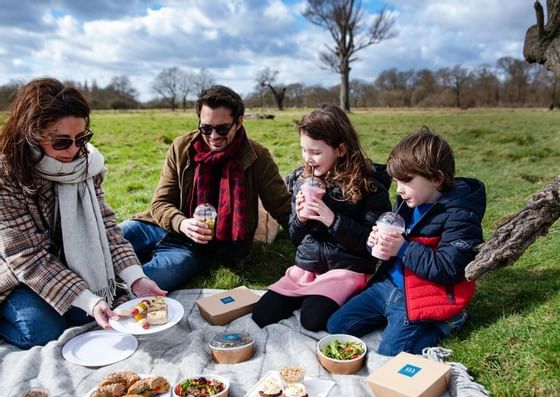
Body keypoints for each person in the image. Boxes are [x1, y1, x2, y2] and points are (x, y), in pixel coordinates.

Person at [0, 78, 165, 349]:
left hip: (65, 263)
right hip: (15, 272)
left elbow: (107, 228)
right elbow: (26, 257)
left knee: (84, 315)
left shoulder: (85, 165)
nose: (75, 150)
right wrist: (89, 299)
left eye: (82, 138)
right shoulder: (6, 174)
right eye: (62, 142)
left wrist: (136, 278)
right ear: (32, 134)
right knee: (44, 332)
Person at [327, 127, 486, 356]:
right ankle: (392, 319)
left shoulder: (460, 214)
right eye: (396, 181)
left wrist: (402, 248)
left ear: (436, 178)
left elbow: (450, 268)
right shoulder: (407, 202)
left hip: (423, 294)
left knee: (390, 354)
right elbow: (393, 242)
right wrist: (376, 243)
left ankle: (448, 321)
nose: (399, 190)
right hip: (388, 286)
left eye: (406, 181)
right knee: (336, 327)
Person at [120, 85, 291, 291]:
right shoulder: (182, 147)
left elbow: (282, 207)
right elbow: (160, 202)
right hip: (157, 224)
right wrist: (182, 223)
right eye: (206, 128)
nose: (213, 136)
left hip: (195, 246)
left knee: (147, 282)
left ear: (239, 122)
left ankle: (102, 300)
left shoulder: (257, 157)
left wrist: (318, 246)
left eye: (222, 129)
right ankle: (80, 293)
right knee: (100, 243)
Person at [251, 104, 391, 332]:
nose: (308, 159)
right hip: (307, 267)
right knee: (261, 314)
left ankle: (352, 296)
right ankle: (312, 294)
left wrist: (332, 219)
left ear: (341, 149)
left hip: (347, 269)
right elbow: (296, 238)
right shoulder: (302, 179)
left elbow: (370, 243)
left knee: (312, 320)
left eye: (315, 152)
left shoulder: (369, 186)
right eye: (304, 150)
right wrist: (300, 220)